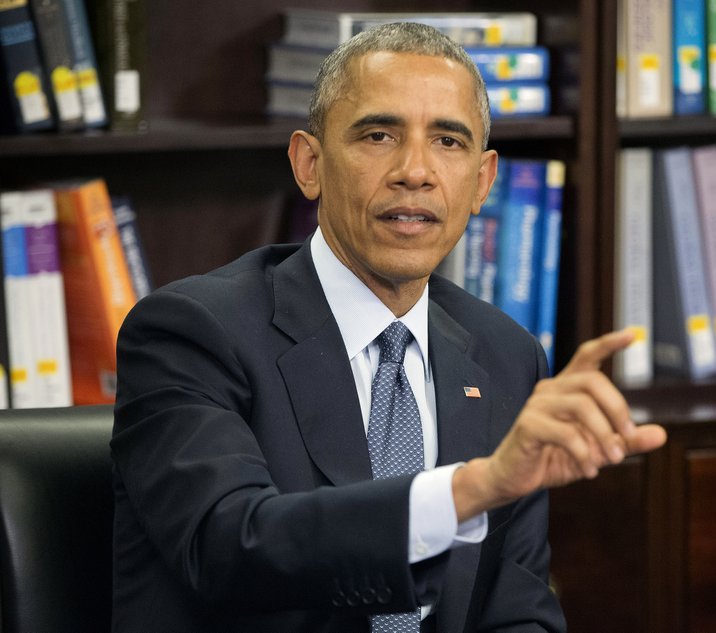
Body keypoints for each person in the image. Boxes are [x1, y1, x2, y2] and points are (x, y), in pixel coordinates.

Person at [110, 22, 666, 633]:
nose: (416, 171)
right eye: (379, 135)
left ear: (482, 182)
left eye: (449, 142)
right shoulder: (191, 332)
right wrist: (472, 488)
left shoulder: (508, 356)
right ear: (309, 164)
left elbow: (517, 612)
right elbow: (232, 548)